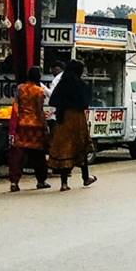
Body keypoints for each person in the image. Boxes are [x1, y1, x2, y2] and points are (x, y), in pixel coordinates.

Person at [48, 59, 96, 191]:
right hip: (77, 119)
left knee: (64, 149)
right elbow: (86, 103)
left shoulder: (62, 84)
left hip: (63, 119)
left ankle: (64, 183)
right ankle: (85, 177)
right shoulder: (81, 84)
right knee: (81, 147)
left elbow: (53, 100)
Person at [8, 66, 51, 192]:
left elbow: (16, 105)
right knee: (38, 155)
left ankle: (14, 182)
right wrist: (45, 125)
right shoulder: (39, 91)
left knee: (18, 155)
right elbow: (39, 110)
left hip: (21, 124)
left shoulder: (20, 88)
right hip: (35, 126)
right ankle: (41, 181)